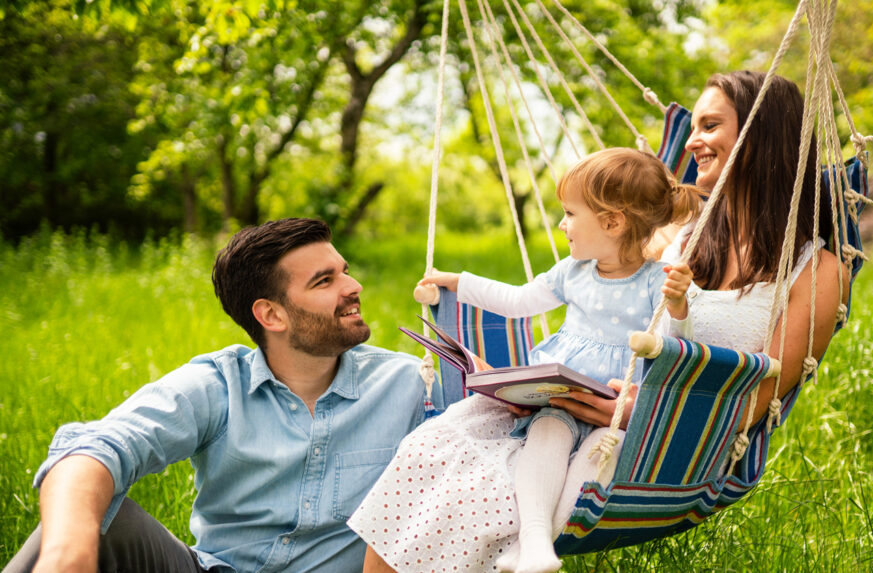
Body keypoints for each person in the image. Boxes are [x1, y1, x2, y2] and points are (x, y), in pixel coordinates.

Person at [354, 71, 848, 573]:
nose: (693, 141)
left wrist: (642, 408)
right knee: (432, 452)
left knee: (472, 497)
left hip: (662, 447)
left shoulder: (816, 269)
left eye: (710, 125)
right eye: (693, 126)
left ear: (759, 132)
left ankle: (527, 546)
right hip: (572, 412)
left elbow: (756, 402)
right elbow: (608, 266)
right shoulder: (679, 237)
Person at [3, 218, 436, 573]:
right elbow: (97, 448)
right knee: (101, 522)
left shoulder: (411, 384)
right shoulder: (219, 385)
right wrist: (68, 553)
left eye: (345, 270)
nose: (353, 285)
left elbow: (498, 439)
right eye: (325, 281)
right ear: (271, 314)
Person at [413, 147, 700, 573]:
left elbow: (676, 348)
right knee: (547, 433)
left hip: (613, 410)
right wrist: (460, 282)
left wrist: (678, 307)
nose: (562, 224)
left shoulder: (656, 281)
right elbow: (517, 300)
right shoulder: (572, 271)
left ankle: (533, 546)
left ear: (612, 222)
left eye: (570, 213)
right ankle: (532, 541)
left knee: (603, 454)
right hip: (560, 393)